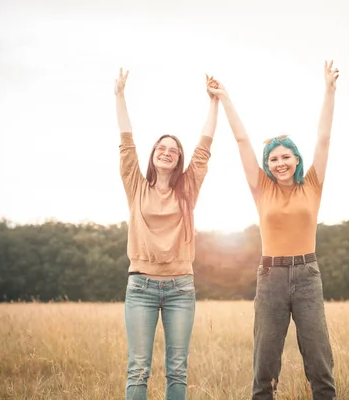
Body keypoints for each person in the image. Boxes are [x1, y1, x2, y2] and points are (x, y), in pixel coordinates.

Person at [207, 61, 340, 400]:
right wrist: (224, 98)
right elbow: (241, 139)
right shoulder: (261, 188)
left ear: (296, 159)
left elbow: (323, 138)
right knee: (265, 366)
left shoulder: (312, 185)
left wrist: (329, 90)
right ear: (267, 165)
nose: (280, 164)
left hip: (308, 275)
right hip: (271, 278)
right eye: (273, 160)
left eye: (286, 157)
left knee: (319, 363)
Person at [115, 68, 219, 400]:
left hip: (180, 288)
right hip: (141, 286)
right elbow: (126, 141)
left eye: (173, 149)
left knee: (177, 369)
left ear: (178, 160)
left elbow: (204, 146)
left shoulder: (188, 188)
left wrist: (214, 102)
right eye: (162, 146)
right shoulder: (136, 184)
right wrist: (119, 95)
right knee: (138, 368)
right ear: (154, 154)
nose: (167, 150)